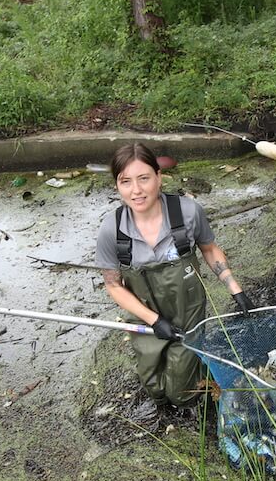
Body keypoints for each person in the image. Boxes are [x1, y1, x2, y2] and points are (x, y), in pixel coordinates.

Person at [95, 143, 253, 407]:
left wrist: (236, 290)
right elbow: (113, 285)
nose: (136, 190)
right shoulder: (111, 230)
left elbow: (210, 249)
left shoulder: (188, 212)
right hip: (145, 318)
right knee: (154, 388)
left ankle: (197, 368)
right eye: (126, 182)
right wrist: (154, 320)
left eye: (144, 178)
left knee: (181, 395)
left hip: (186, 312)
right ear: (117, 186)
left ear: (159, 176)